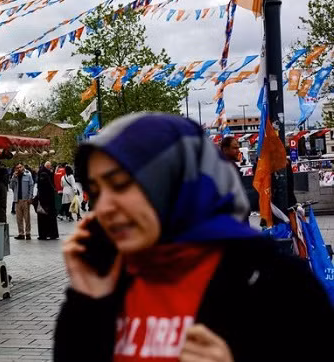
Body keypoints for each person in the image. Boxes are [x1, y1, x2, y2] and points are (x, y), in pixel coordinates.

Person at [54, 113, 334, 362]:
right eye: (97, 190)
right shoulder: (111, 280)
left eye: (121, 184)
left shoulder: (278, 285)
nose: (105, 206)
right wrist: (86, 298)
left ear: (178, 180)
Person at [10, 163, 35, 240]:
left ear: (23, 167)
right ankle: (21, 233)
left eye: (20, 167)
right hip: (17, 200)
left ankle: (28, 233)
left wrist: (30, 197)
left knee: (27, 218)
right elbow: (11, 186)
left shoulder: (28, 175)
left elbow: (31, 185)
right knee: (19, 218)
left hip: (25, 200)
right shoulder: (15, 176)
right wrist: (14, 177)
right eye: (17, 168)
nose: (19, 169)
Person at [36, 162, 59, 240]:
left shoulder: (41, 185)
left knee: (43, 220)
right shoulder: (50, 187)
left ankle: (43, 234)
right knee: (51, 220)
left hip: (43, 205)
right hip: (49, 206)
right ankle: (52, 234)